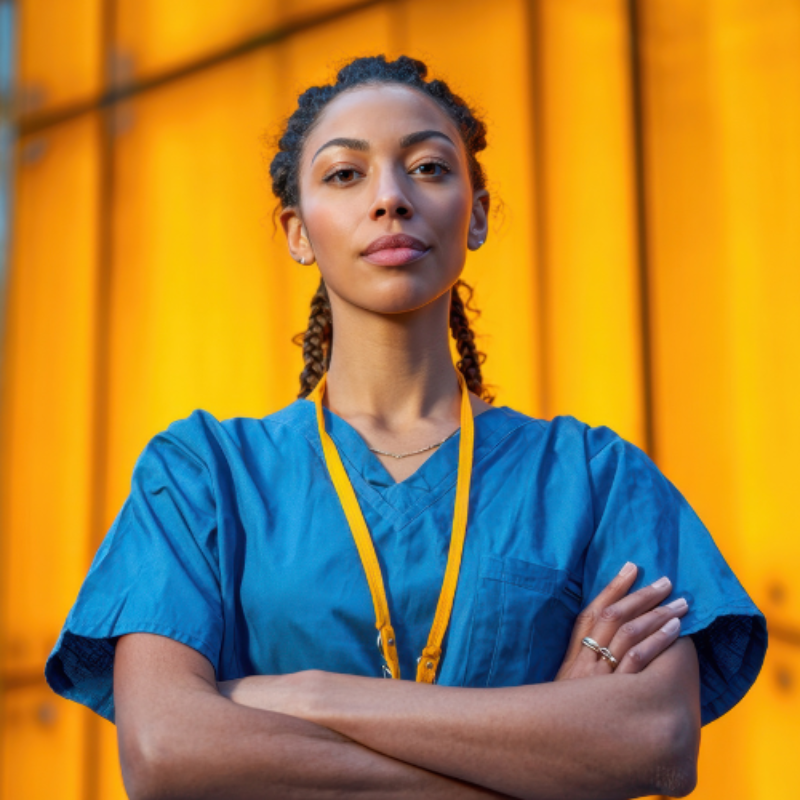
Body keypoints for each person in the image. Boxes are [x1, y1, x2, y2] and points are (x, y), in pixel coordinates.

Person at [45, 55, 767, 800]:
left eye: (426, 167)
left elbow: (655, 743)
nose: (390, 198)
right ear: (297, 232)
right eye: (345, 175)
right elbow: (167, 751)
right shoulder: (202, 475)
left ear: (476, 212)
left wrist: (305, 696)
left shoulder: (597, 478)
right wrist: (548, 752)